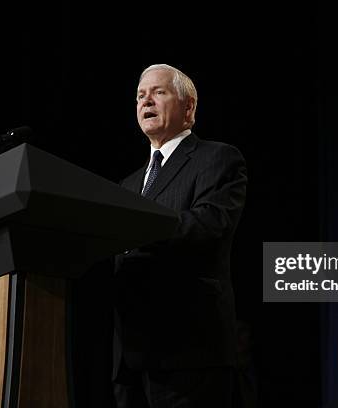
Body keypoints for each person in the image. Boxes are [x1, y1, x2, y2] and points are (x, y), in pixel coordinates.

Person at [112, 64, 247, 408]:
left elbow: (209, 225)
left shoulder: (218, 158)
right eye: (140, 95)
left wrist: (136, 227)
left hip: (190, 350)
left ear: (189, 108)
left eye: (158, 92)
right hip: (130, 358)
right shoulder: (126, 186)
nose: (146, 101)